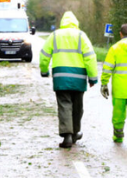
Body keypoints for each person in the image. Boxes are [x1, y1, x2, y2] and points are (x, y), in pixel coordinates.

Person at [39, 11, 98, 148]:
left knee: (64, 105)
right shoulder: (81, 36)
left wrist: (44, 71)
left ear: (62, 22)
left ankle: (67, 136)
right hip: (79, 78)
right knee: (77, 107)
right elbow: (90, 57)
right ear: (76, 22)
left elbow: (44, 55)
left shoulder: (55, 35)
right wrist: (93, 78)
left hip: (61, 78)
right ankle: (75, 132)